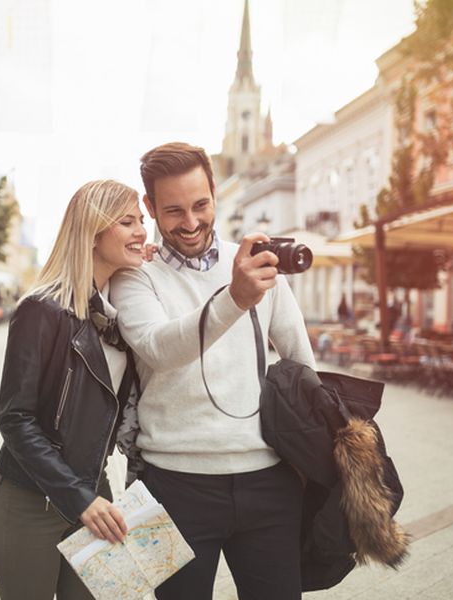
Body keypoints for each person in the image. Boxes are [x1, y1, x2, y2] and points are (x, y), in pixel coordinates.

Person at [111, 142, 316, 600]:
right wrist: (235, 299)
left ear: (215, 195)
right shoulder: (135, 276)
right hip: (170, 486)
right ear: (149, 207)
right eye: (173, 210)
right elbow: (158, 347)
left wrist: (315, 455)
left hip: (269, 481)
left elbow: (302, 362)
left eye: (201, 204)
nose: (190, 222)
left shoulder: (259, 264)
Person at [0, 180, 146, 600]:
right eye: (127, 222)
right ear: (93, 232)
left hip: (95, 496)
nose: (142, 232)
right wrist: (78, 497)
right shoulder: (41, 309)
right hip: (28, 503)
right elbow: (15, 419)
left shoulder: (117, 316)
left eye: (142, 221)